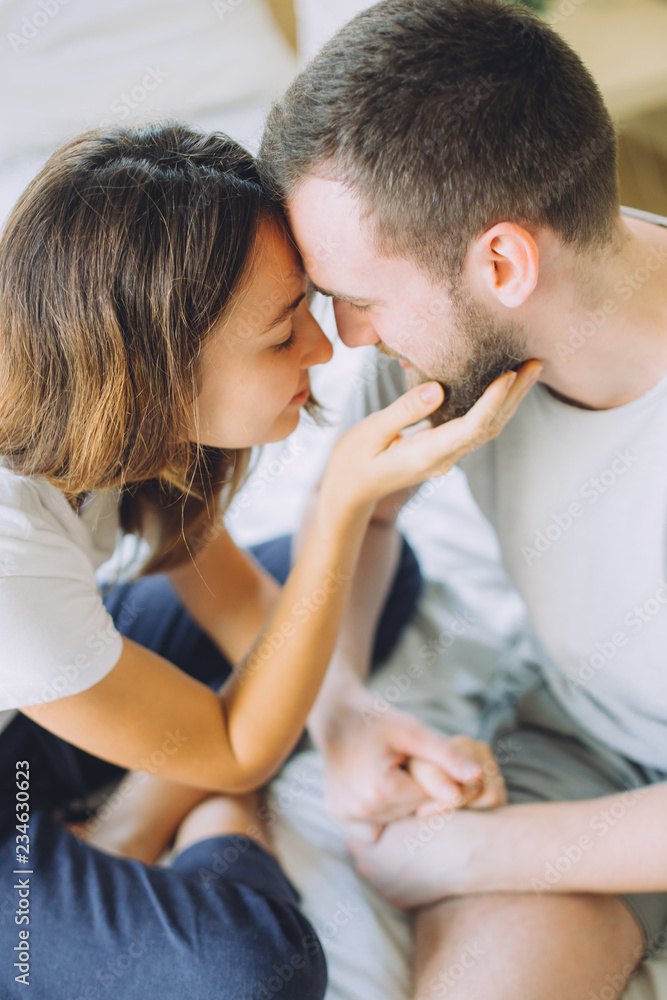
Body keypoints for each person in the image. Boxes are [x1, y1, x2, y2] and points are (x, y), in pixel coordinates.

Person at [0, 121, 534, 1000]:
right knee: (248, 976)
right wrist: (338, 505)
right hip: (33, 701)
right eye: (283, 333)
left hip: (38, 688)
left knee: (375, 582)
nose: (324, 350)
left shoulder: (92, 399)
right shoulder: (15, 562)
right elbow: (234, 747)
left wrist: (349, 724)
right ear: (155, 372)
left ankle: (135, 815)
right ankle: (187, 818)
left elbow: (242, 604)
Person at [258, 0, 667, 996]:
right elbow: (365, 508)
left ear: (501, 263)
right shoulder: (447, 352)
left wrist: (463, 855)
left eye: (358, 297)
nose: (345, 335)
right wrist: (341, 707)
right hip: (586, 756)